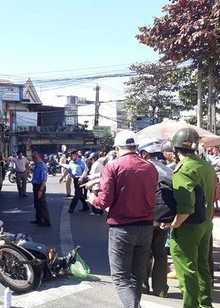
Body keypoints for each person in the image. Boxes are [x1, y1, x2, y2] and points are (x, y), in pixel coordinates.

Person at [88, 130, 158, 308]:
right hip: (146, 227)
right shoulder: (150, 167)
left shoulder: (113, 166)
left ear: (117, 148)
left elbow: (104, 202)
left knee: (120, 278)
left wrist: (92, 199)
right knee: (136, 276)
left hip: (122, 228)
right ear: (136, 147)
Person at [159, 127, 215, 308]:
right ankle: (205, 304)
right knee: (202, 266)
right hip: (206, 225)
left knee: (187, 269)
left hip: (188, 227)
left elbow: (185, 208)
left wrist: (174, 225)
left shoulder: (183, 170)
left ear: (175, 149)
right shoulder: (205, 165)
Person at [137, 138, 172, 298]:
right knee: (159, 252)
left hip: (146, 217)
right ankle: (161, 289)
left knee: (144, 251)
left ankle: (143, 286)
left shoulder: (143, 169)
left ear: (144, 153)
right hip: (165, 217)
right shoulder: (168, 170)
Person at [60, 149, 90, 213]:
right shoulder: (71, 162)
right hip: (75, 180)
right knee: (80, 194)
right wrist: (62, 177)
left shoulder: (81, 161)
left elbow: (85, 170)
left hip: (81, 180)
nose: (70, 156)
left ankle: (71, 208)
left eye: (71, 155)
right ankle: (86, 206)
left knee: (76, 195)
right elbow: (68, 171)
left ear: (75, 155)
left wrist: (81, 177)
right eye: (69, 155)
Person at [30, 151, 50, 227]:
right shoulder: (37, 165)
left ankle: (46, 221)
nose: (34, 159)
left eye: (35, 158)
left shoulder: (42, 166)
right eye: (33, 158)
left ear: (39, 157)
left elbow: (43, 180)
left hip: (40, 186)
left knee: (42, 204)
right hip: (35, 186)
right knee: (37, 204)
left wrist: (41, 190)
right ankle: (38, 219)